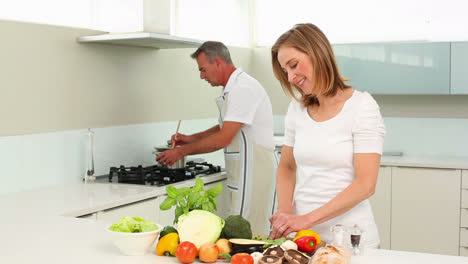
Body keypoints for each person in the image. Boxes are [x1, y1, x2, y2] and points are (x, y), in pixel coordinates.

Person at [269, 23, 386, 249]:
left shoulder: (362, 106)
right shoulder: (296, 110)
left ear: (317, 52)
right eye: (286, 72)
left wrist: (306, 219)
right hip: (303, 241)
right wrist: (285, 214)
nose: (291, 77)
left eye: (293, 65)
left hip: (353, 241)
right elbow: (287, 167)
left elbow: (365, 185)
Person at [157, 41, 276, 235]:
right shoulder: (232, 88)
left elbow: (223, 138)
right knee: (243, 229)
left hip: (254, 169)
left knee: (249, 231)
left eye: (203, 70)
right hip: (245, 170)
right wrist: (191, 138)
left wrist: (181, 151)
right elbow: (226, 126)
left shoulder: (242, 88)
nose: (202, 76)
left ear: (218, 63)